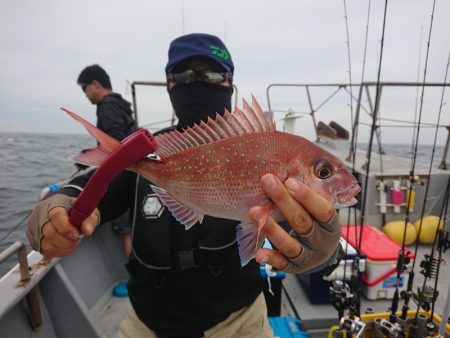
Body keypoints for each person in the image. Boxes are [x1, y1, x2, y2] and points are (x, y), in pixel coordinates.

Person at [26, 33, 342, 338]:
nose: (199, 82)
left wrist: (324, 250)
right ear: (170, 84)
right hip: (145, 324)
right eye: (185, 73)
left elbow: (303, 235)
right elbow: (91, 184)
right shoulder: (148, 151)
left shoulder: (268, 152)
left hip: (240, 324)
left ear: (230, 82)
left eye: (215, 74)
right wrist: (59, 205)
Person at [77, 64, 136, 259]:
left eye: (84, 88)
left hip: (118, 175)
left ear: (95, 84)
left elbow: (116, 143)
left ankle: (133, 277)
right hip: (132, 174)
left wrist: (90, 158)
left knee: (124, 230)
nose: (85, 94)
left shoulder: (106, 106)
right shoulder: (120, 104)